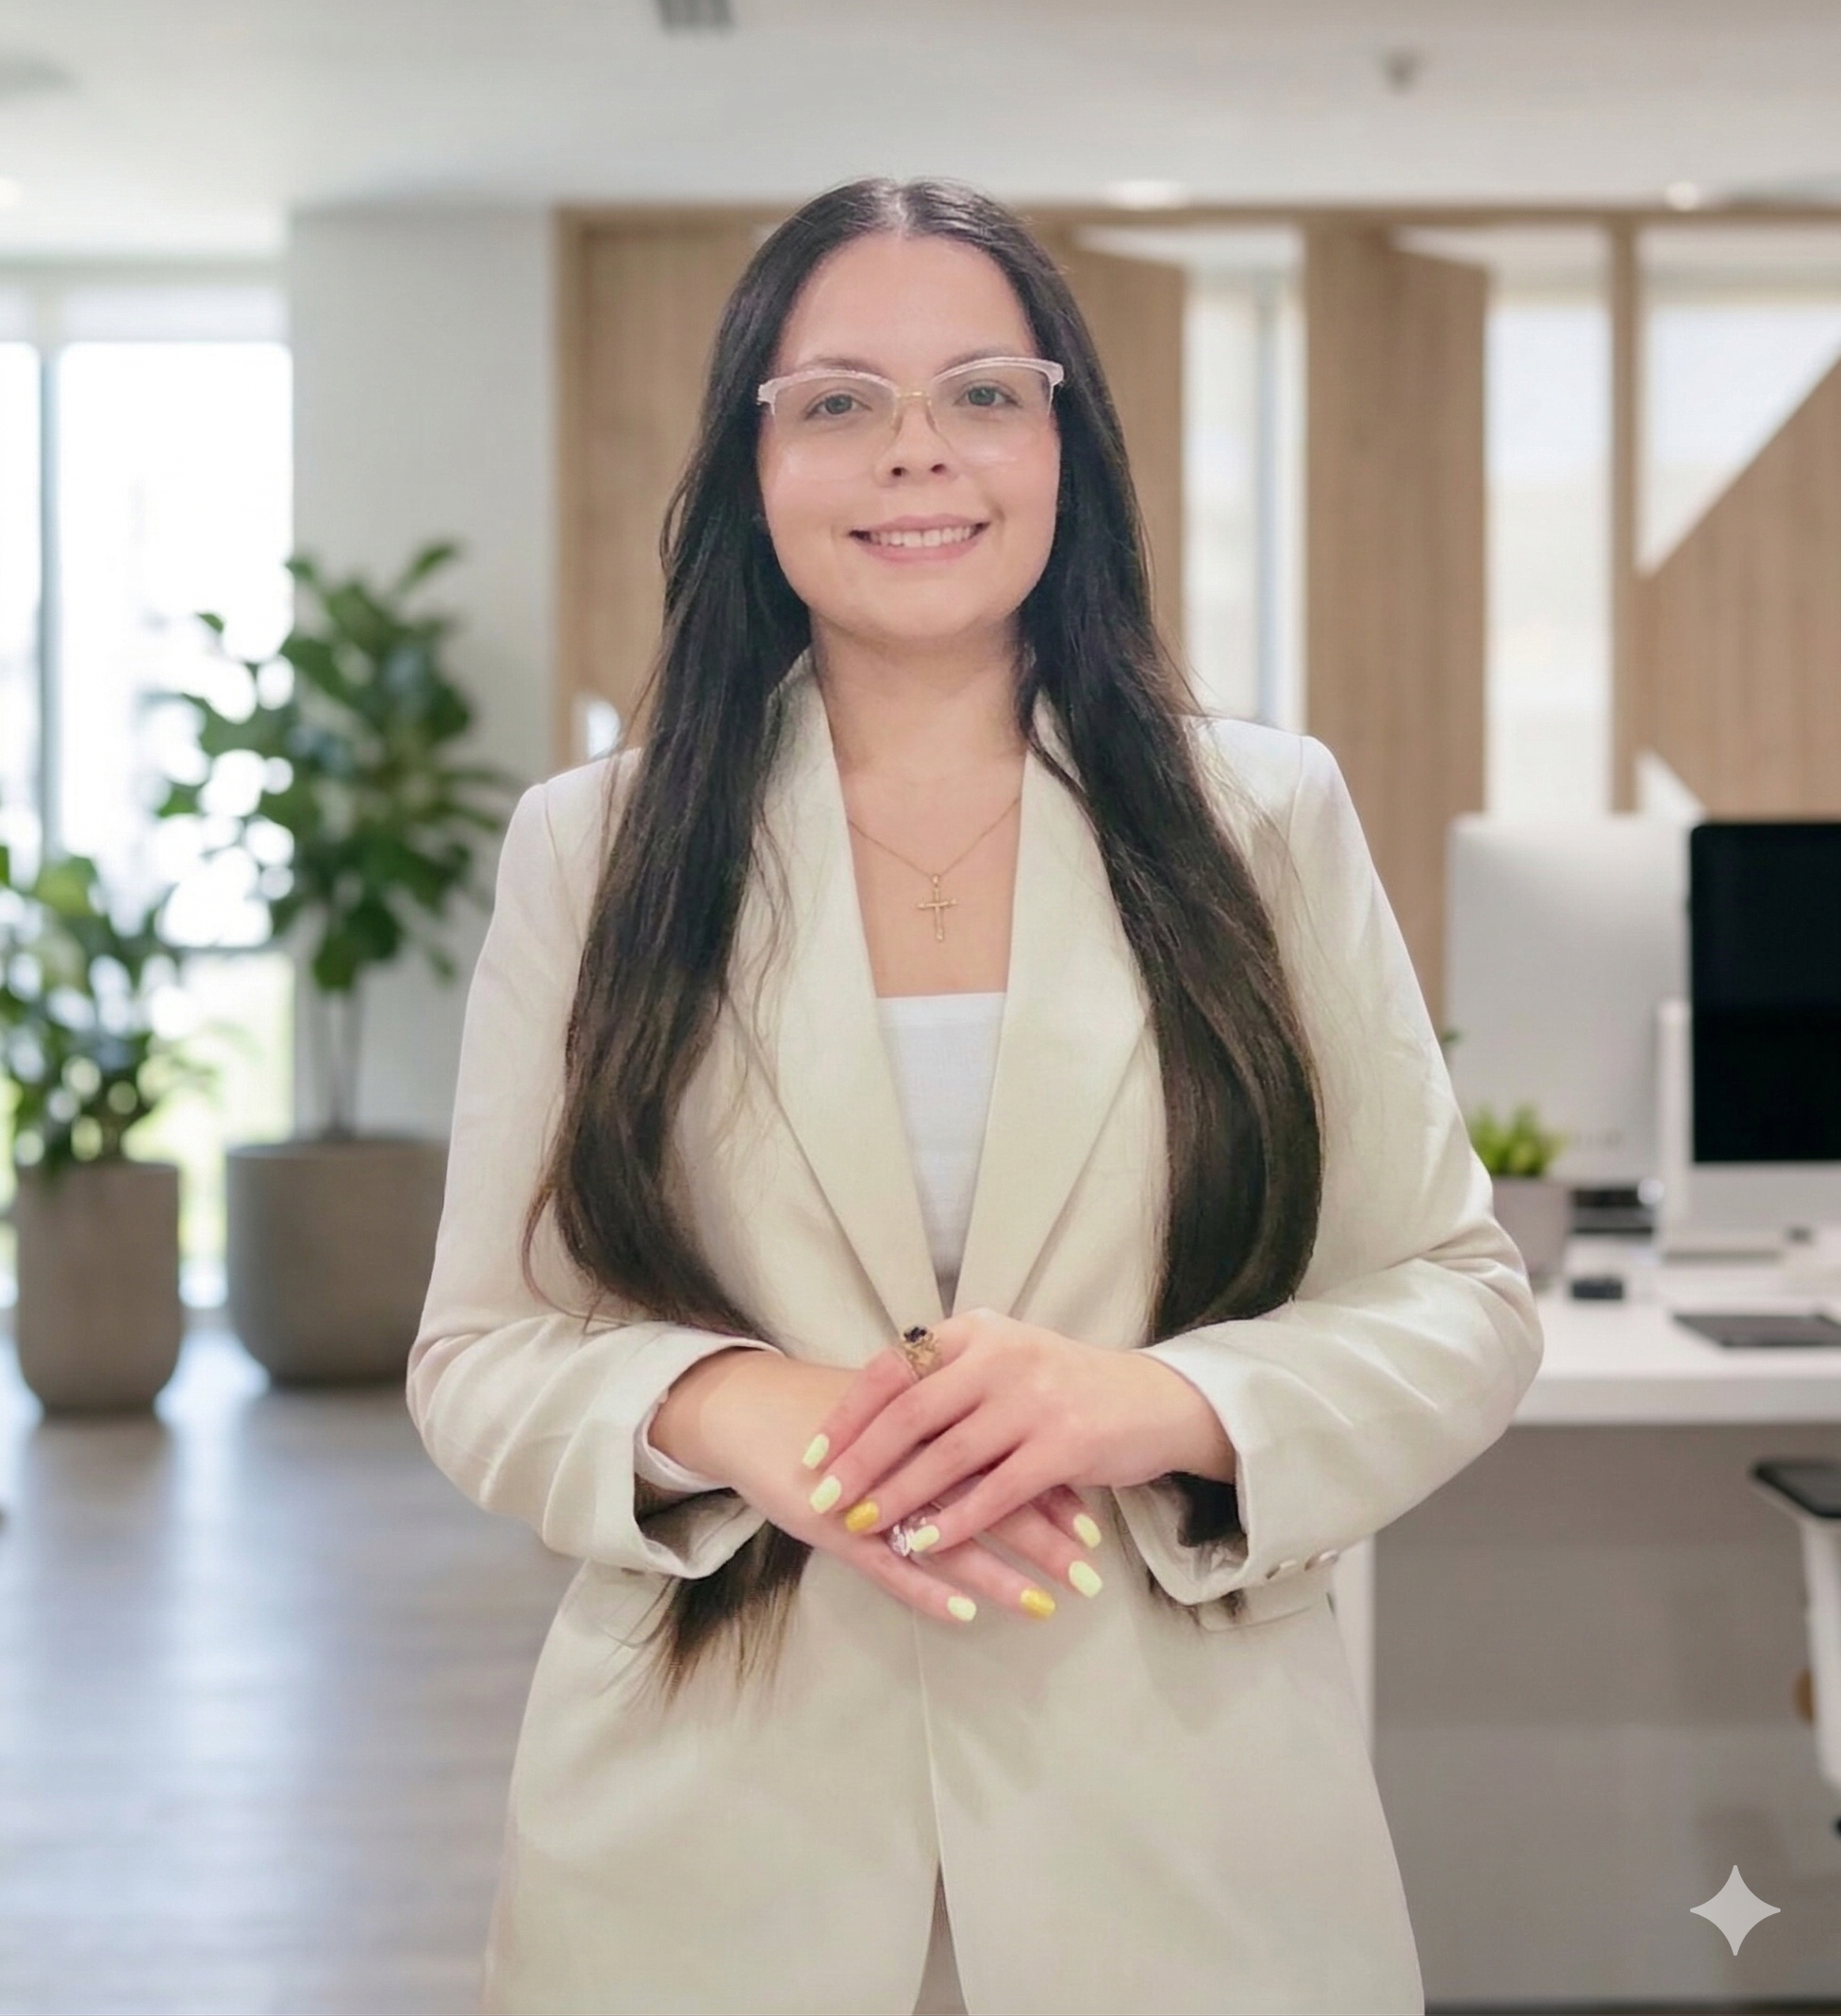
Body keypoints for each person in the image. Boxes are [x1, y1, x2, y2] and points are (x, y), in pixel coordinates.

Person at [408, 175, 1542, 2016]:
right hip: (706, 1817)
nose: (913, 454)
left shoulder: (1260, 823)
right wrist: (726, 1403)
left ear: (1064, 447)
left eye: (982, 394)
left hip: (1179, 1811)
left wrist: (1154, 1398)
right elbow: (479, 1350)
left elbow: (1458, 1303)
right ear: (750, 461)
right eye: (839, 400)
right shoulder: (596, 850)